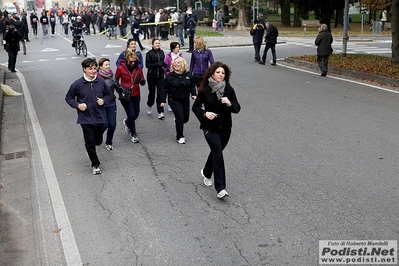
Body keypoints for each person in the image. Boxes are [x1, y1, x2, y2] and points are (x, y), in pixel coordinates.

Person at [192, 62, 241, 199]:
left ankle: (207, 173)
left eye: (223, 73)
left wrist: (230, 103)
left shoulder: (229, 90)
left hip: (225, 128)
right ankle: (221, 188)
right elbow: (195, 107)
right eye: (218, 72)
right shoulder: (205, 91)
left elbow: (237, 108)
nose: (221, 75)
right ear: (212, 73)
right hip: (210, 128)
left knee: (216, 153)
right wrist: (204, 114)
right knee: (218, 154)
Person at [65, 58, 111, 175]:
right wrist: (78, 105)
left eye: (95, 68)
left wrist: (103, 101)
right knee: (89, 142)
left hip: (99, 116)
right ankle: (95, 164)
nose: (93, 70)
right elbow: (69, 98)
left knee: (98, 140)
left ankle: (97, 141)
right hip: (85, 118)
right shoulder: (77, 84)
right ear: (84, 69)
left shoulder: (101, 82)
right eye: (90, 68)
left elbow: (109, 95)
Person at [161, 57, 196, 144]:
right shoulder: (170, 77)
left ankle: (178, 120)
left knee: (185, 119)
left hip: (185, 99)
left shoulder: (188, 75)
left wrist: (194, 94)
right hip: (174, 100)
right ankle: (180, 136)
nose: (176, 64)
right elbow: (164, 89)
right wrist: (162, 100)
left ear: (183, 64)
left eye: (178, 63)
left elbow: (192, 85)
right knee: (180, 117)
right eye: (175, 63)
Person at [115, 49, 146, 143]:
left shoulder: (138, 68)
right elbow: (115, 80)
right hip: (125, 94)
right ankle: (133, 134)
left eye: (134, 61)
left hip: (136, 93)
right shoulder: (121, 68)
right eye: (130, 61)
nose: (133, 63)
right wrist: (119, 89)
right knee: (131, 114)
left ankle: (127, 122)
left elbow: (142, 80)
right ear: (126, 60)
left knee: (136, 113)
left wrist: (142, 81)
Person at [97, 58, 117, 150]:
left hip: (111, 102)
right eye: (106, 65)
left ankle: (109, 142)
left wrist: (123, 91)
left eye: (109, 64)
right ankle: (97, 135)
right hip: (101, 104)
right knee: (104, 125)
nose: (108, 66)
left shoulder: (112, 75)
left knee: (112, 125)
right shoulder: (97, 78)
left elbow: (117, 85)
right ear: (101, 67)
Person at [146, 38, 167, 119]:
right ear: (152, 44)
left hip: (160, 76)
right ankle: (150, 104)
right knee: (152, 93)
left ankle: (160, 111)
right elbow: (147, 65)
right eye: (156, 43)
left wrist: (167, 67)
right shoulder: (149, 53)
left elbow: (163, 62)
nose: (158, 44)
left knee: (160, 93)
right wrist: (157, 64)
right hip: (151, 76)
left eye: (158, 43)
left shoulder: (161, 52)